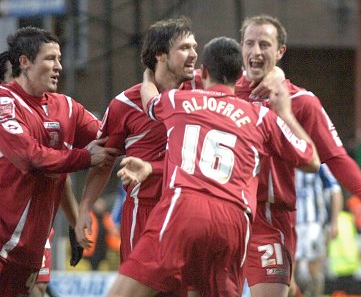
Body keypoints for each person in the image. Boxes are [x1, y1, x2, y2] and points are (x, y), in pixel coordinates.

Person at [108, 36, 320, 297]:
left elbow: (150, 99)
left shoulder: (179, 101)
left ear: (204, 72)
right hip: (234, 219)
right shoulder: (261, 116)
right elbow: (310, 159)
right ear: (239, 74)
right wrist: (285, 113)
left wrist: (149, 76)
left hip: (185, 207)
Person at [234, 14, 361, 297]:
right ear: (240, 48)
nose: (256, 51)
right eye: (250, 43)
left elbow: (335, 156)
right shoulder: (223, 92)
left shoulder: (301, 102)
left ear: (280, 51)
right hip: (226, 213)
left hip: (270, 219)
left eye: (265, 44)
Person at [0, 26, 119, 297]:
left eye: (60, 58)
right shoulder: (4, 102)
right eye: (50, 59)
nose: (59, 67)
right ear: (25, 62)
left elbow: (110, 139)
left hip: (30, 249)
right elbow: (30, 157)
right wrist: (84, 157)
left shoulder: (66, 107)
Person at [75, 17, 202, 269]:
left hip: (190, 209)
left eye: (195, 47)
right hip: (144, 212)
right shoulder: (124, 104)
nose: (194, 54)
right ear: (160, 54)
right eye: (185, 48)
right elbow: (103, 160)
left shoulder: (203, 95)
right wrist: (84, 210)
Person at [1, 55, 84, 297]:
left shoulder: (44, 118)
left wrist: (75, 222)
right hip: (7, 228)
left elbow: (59, 174)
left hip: (35, 228)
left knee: (36, 288)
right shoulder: (6, 115)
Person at [294, 164, 343, 297]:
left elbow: (336, 191)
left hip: (314, 224)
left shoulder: (318, 164)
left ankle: (316, 294)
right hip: (292, 224)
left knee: (314, 267)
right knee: (290, 269)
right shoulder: (286, 161)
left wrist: (335, 222)